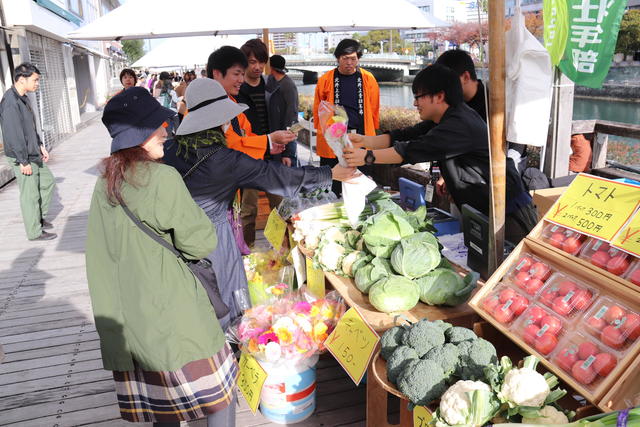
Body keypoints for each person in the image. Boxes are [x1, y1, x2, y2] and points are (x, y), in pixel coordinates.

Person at [86, 87, 238, 427]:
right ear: (141, 134)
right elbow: (200, 243)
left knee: (164, 407)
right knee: (220, 396)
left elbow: (99, 256)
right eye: (159, 126)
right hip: (177, 316)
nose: (166, 131)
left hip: (134, 321)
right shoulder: (163, 179)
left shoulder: (105, 183)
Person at [163, 78, 357, 331]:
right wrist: (330, 174)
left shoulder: (169, 149)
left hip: (174, 238)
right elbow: (276, 177)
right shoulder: (223, 159)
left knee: (194, 300)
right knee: (226, 299)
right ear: (218, 120)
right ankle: (228, 353)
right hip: (214, 240)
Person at [343, 64, 537, 244]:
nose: (415, 103)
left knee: (508, 272)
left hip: (508, 215)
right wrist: (366, 141)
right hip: (483, 210)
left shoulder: (458, 124)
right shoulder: (446, 117)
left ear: (439, 96)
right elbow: (406, 135)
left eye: (419, 96)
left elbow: (412, 150)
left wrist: (367, 157)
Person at [313, 38, 380, 195]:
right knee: (333, 184)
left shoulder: (368, 78)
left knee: (360, 182)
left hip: (360, 137)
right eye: (345, 58)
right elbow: (318, 108)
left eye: (353, 59)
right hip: (333, 138)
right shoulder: (325, 80)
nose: (349, 62)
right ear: (338, 58)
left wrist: (374, 130)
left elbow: (375, 106)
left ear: (358, 59)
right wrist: (322, 132)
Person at [236, 39, 285, 247]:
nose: (257, 67)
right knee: (248, 210)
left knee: (280, 208)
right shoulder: (238, 90)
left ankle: (281, 250)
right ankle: (247, 251)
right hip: (248, 157)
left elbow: (282, 119)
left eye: (261, 62)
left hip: (273, 156)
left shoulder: (272, 86)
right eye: (252, 62)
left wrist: (287, 154)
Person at [0, 62, 56, 241]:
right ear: (22, 80)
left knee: (48, 182)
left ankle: (37, 217)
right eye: (35, 80)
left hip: (32, 152)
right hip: (22, 156)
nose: (37, 83)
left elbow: (29, 127)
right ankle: (34, 232)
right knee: (30, 194)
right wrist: (22, 161)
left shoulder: (23, 97)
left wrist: (40, 145)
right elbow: (13, 134)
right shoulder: (10, 102)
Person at [266, 54, 299, 168]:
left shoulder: (288, 85)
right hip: (275, 136)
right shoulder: (271, 81)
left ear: (271, 67)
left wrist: (288, 153)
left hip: (286, 136)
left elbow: (292, 115)